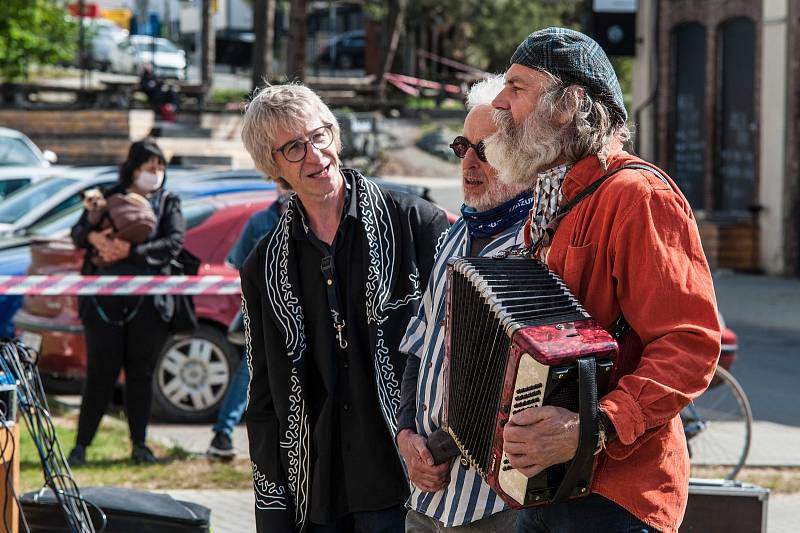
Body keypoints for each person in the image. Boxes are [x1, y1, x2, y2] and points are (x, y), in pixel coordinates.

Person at [481, 28, 721, 533]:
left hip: (618, 495)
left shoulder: (638, 195)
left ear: (567, 104)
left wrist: (591, 426)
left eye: (518, 87)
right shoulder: (548, 201)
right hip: (546, 489)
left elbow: (689, 343)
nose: (500, 102)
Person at [239, 83, 450, 532]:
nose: (315, 156)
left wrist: (442, 447)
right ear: (272, 165)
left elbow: (455, 353)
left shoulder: (415, 225)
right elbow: (263, 396)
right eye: (294, 148)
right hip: (316, 488)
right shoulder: (264, 265)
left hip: (407, 479)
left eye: (319, 136)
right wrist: (272, 504)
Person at [395, 75, 533, 532]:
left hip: (488, 501)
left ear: (520, 158)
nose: (468, 162)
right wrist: (405, 435)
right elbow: (420, 342)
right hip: (425, 493)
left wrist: (434, 451)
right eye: (462, 146)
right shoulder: (456, 234)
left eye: (485, 150)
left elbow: (506, 380)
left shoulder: (531, 245)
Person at [68, 139, 185, 466]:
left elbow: (173, 244)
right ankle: (80, 447)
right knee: (100, 374)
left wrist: (130, 252)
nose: (156, 174)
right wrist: (93, 236)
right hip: (103, 302)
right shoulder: (105, 195)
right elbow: (76, 232)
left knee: (140, 374)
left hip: (148, 304)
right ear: (133, 168)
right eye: (150, 167)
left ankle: (140, 445)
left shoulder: (168, 202)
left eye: (160, 167)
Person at [207, 185, 290, 459]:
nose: (288, 190)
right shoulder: (260, 221)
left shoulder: (317, 219)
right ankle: (223, 433)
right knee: (249, 373)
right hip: (265, 312)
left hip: (307, 314)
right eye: (283, 183)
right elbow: (239, 262)